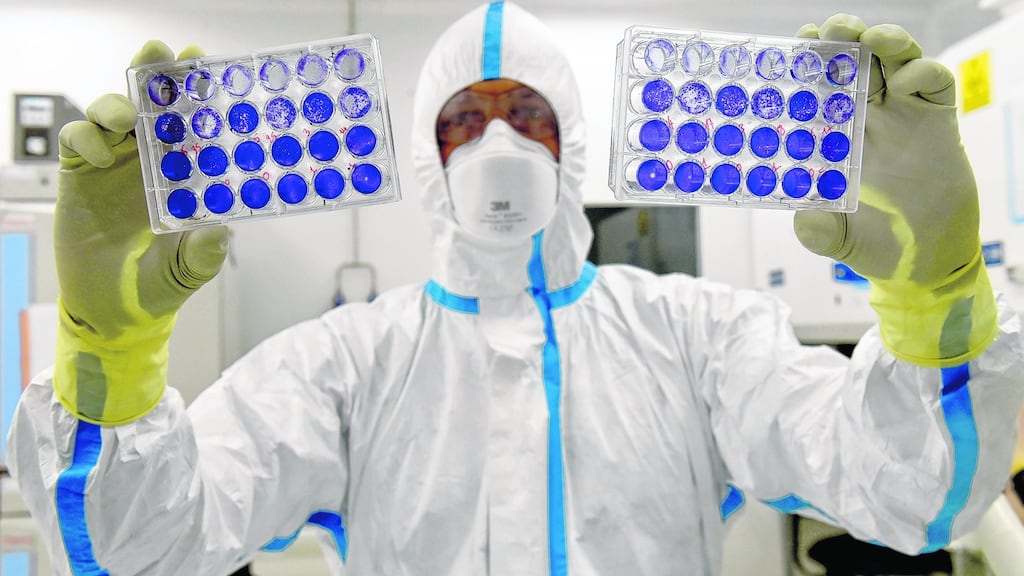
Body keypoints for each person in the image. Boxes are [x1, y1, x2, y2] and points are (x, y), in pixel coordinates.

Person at [6, 2, 1024, 575]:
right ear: (426, 154)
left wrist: (931, 300)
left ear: (569, 142)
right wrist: (111, 361)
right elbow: (144, 550)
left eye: (527, 115)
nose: (498, 144)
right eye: (465, 119)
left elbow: (914, 495)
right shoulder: (345, 362)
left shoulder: (696, 333)